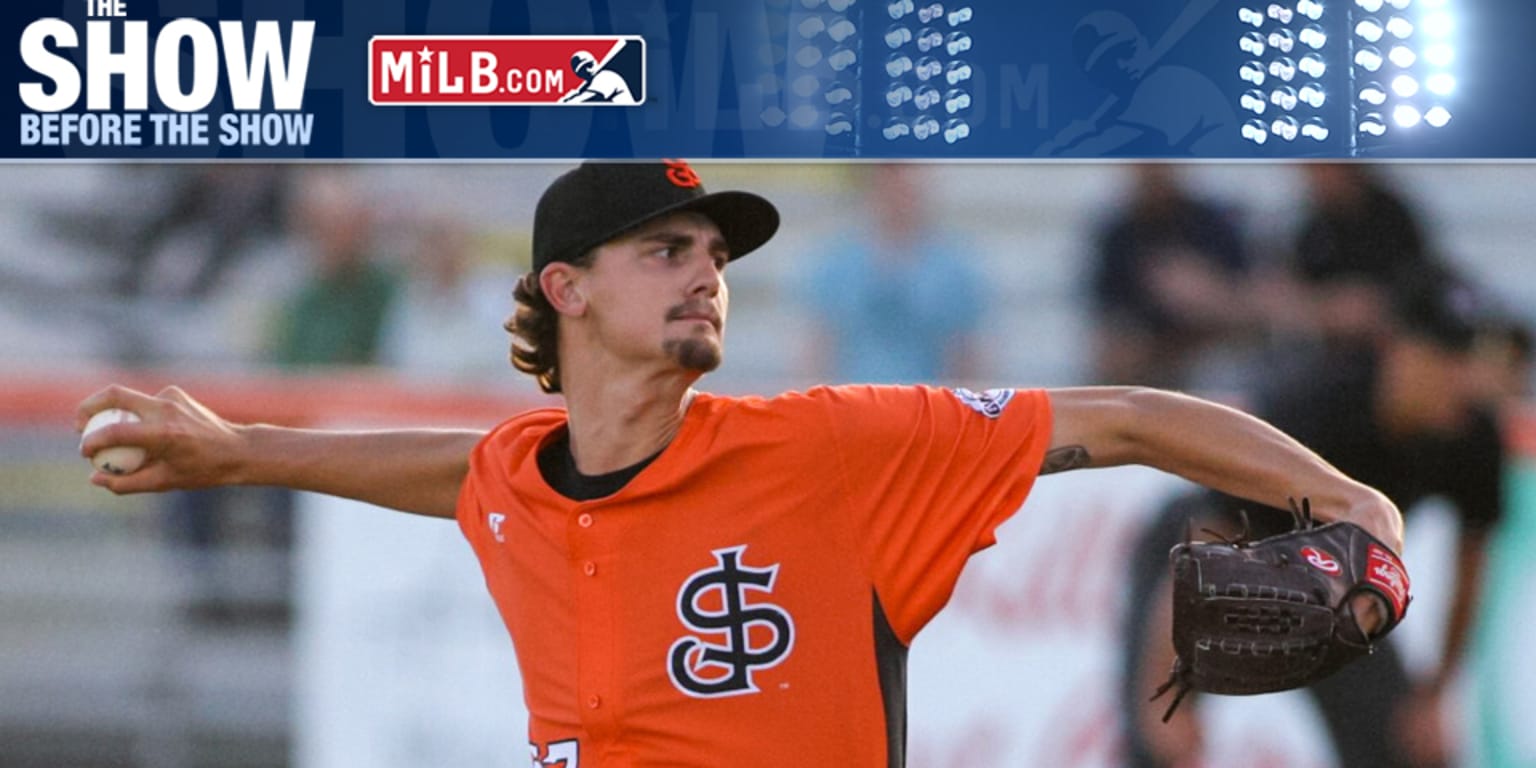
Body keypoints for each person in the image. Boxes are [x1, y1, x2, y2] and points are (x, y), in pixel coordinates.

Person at [79, 161, 1405, 767]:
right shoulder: (520, 482)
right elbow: (464, 468)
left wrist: (1343, 502)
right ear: (567, 290)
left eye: (714, 255)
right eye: (668, 250)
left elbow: (1118, 415)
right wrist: (244, 450)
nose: (707, 273)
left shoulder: (826, 450)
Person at [1119, 274, 1505, 768]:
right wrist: (1165, 692)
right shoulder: (1318, 408)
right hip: (1224, 552)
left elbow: (1472, 566)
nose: (1457, 378)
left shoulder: (1472, 434)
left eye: (1465, 360)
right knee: (1159, 739)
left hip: (1330, 581)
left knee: (1402, 747)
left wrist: (1434, 695)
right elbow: (1203, 542)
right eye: (1440, 358)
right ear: (1395, 349)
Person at [802, 164, 985, 384]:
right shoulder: (837, 262)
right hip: (853, 405)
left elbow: (966, 352)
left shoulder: (953, 267)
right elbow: (818, 345)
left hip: (927, 408)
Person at [1088, 164, 1256, 389]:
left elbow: (1254, 306)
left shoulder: (1213, 224)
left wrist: (1207, 296)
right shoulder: (1120, 234)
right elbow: (1110, 316)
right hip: (1152, 353)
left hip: (1213, 347)